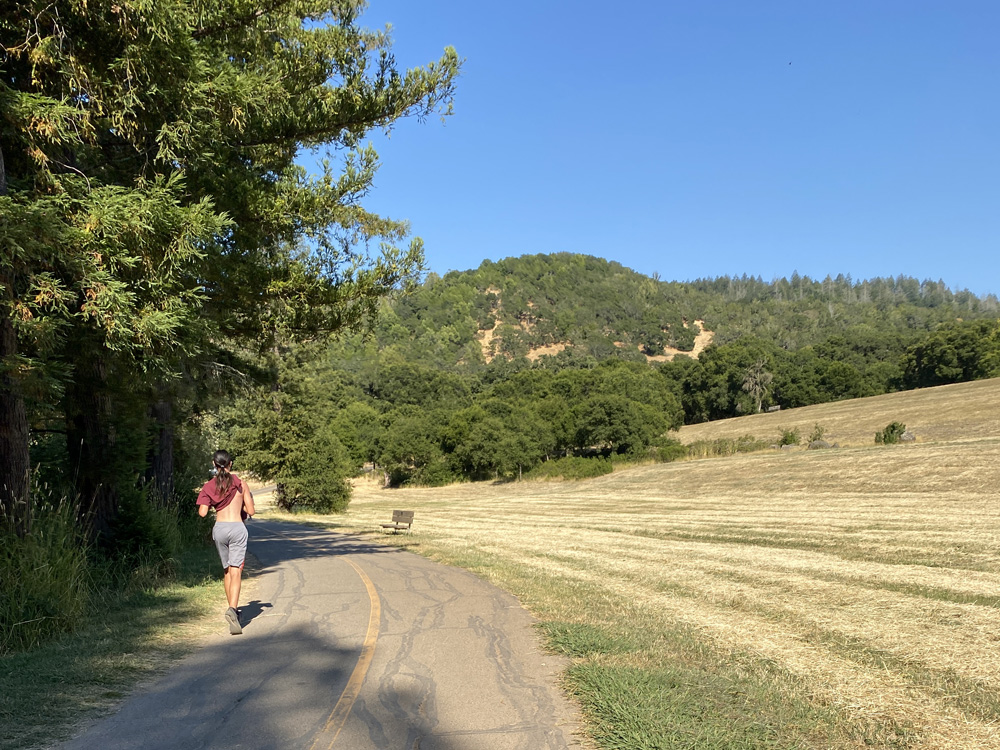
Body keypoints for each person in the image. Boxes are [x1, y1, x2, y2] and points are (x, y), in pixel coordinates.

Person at [197, 450, 255, 635]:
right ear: (230, 464)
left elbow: (202, 513)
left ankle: (232, 610)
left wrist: (212, 501)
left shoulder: (209, 486)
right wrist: (242, 503)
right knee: (236, 570)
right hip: (237, 528)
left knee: (227, 570)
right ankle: (233, 610)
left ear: (214, 464)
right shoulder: (241, 484)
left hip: (220, 528)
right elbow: (251, 511)